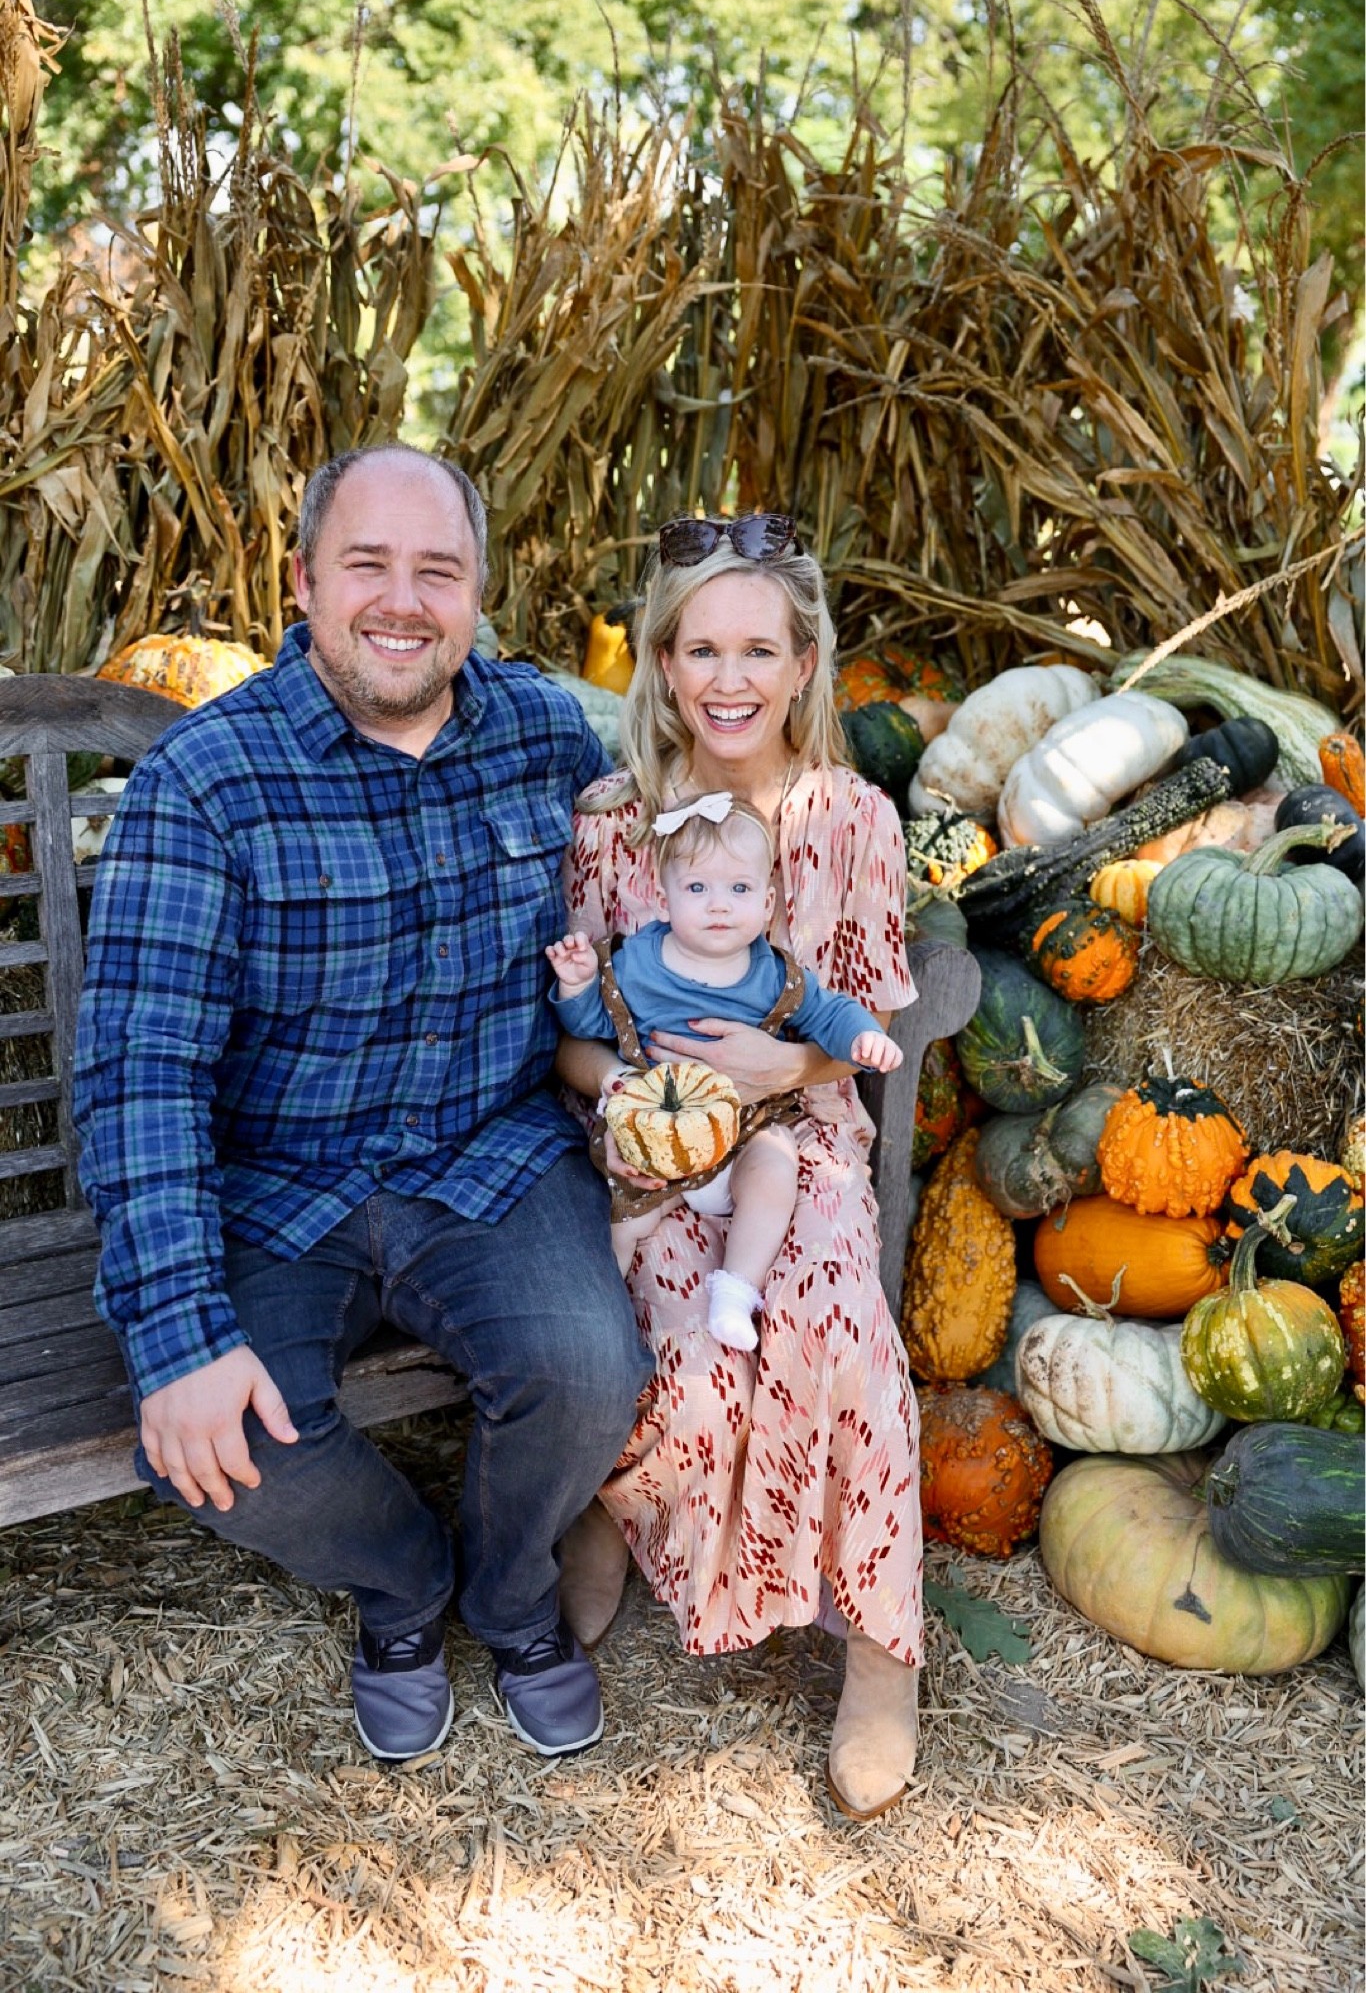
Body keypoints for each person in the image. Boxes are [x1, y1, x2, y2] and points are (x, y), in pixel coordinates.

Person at [73, 445, 651, 1766]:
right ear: (302, 582)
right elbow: (140, 1073)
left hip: (487, 1160)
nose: (403, 601)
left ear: (478, 591)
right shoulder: (207, 783)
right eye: (368, 567)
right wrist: (175, 1334)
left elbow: (657, 893)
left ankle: (513, 1598)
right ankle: (406, 1586)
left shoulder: (544, 736)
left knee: (588, 1374)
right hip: (277, 1187)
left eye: (436, 571)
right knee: (219, 1446)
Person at [553, 512, 924, 1820]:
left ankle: (882, 1650)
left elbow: (867, 1019)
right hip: (656, 1131)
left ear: (804, 663)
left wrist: (784, 1075)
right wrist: (642, 1096)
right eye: (697, 648)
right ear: (658, 660)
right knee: (658, 1312)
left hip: (803, 1125)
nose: (727, 679)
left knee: (827, 1311)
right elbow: (577, 1041)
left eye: (756, 649)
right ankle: (607, 1509)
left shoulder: (850, 819)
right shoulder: (612, 822)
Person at [546, 793, 903, 1349]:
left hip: (747, 1126)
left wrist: (864, 1037)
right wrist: (576, 983)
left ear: (766, 907)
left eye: (738, 889)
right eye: (697, 888)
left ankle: (736, 1290)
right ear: (663, 902)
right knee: (619, 1219)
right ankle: (599, 1324)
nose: (718, 905)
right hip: (658, 1137)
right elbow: (590, 1024)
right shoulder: (634, 964)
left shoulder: (773, 976)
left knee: (776, 1169)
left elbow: (829, 1011)